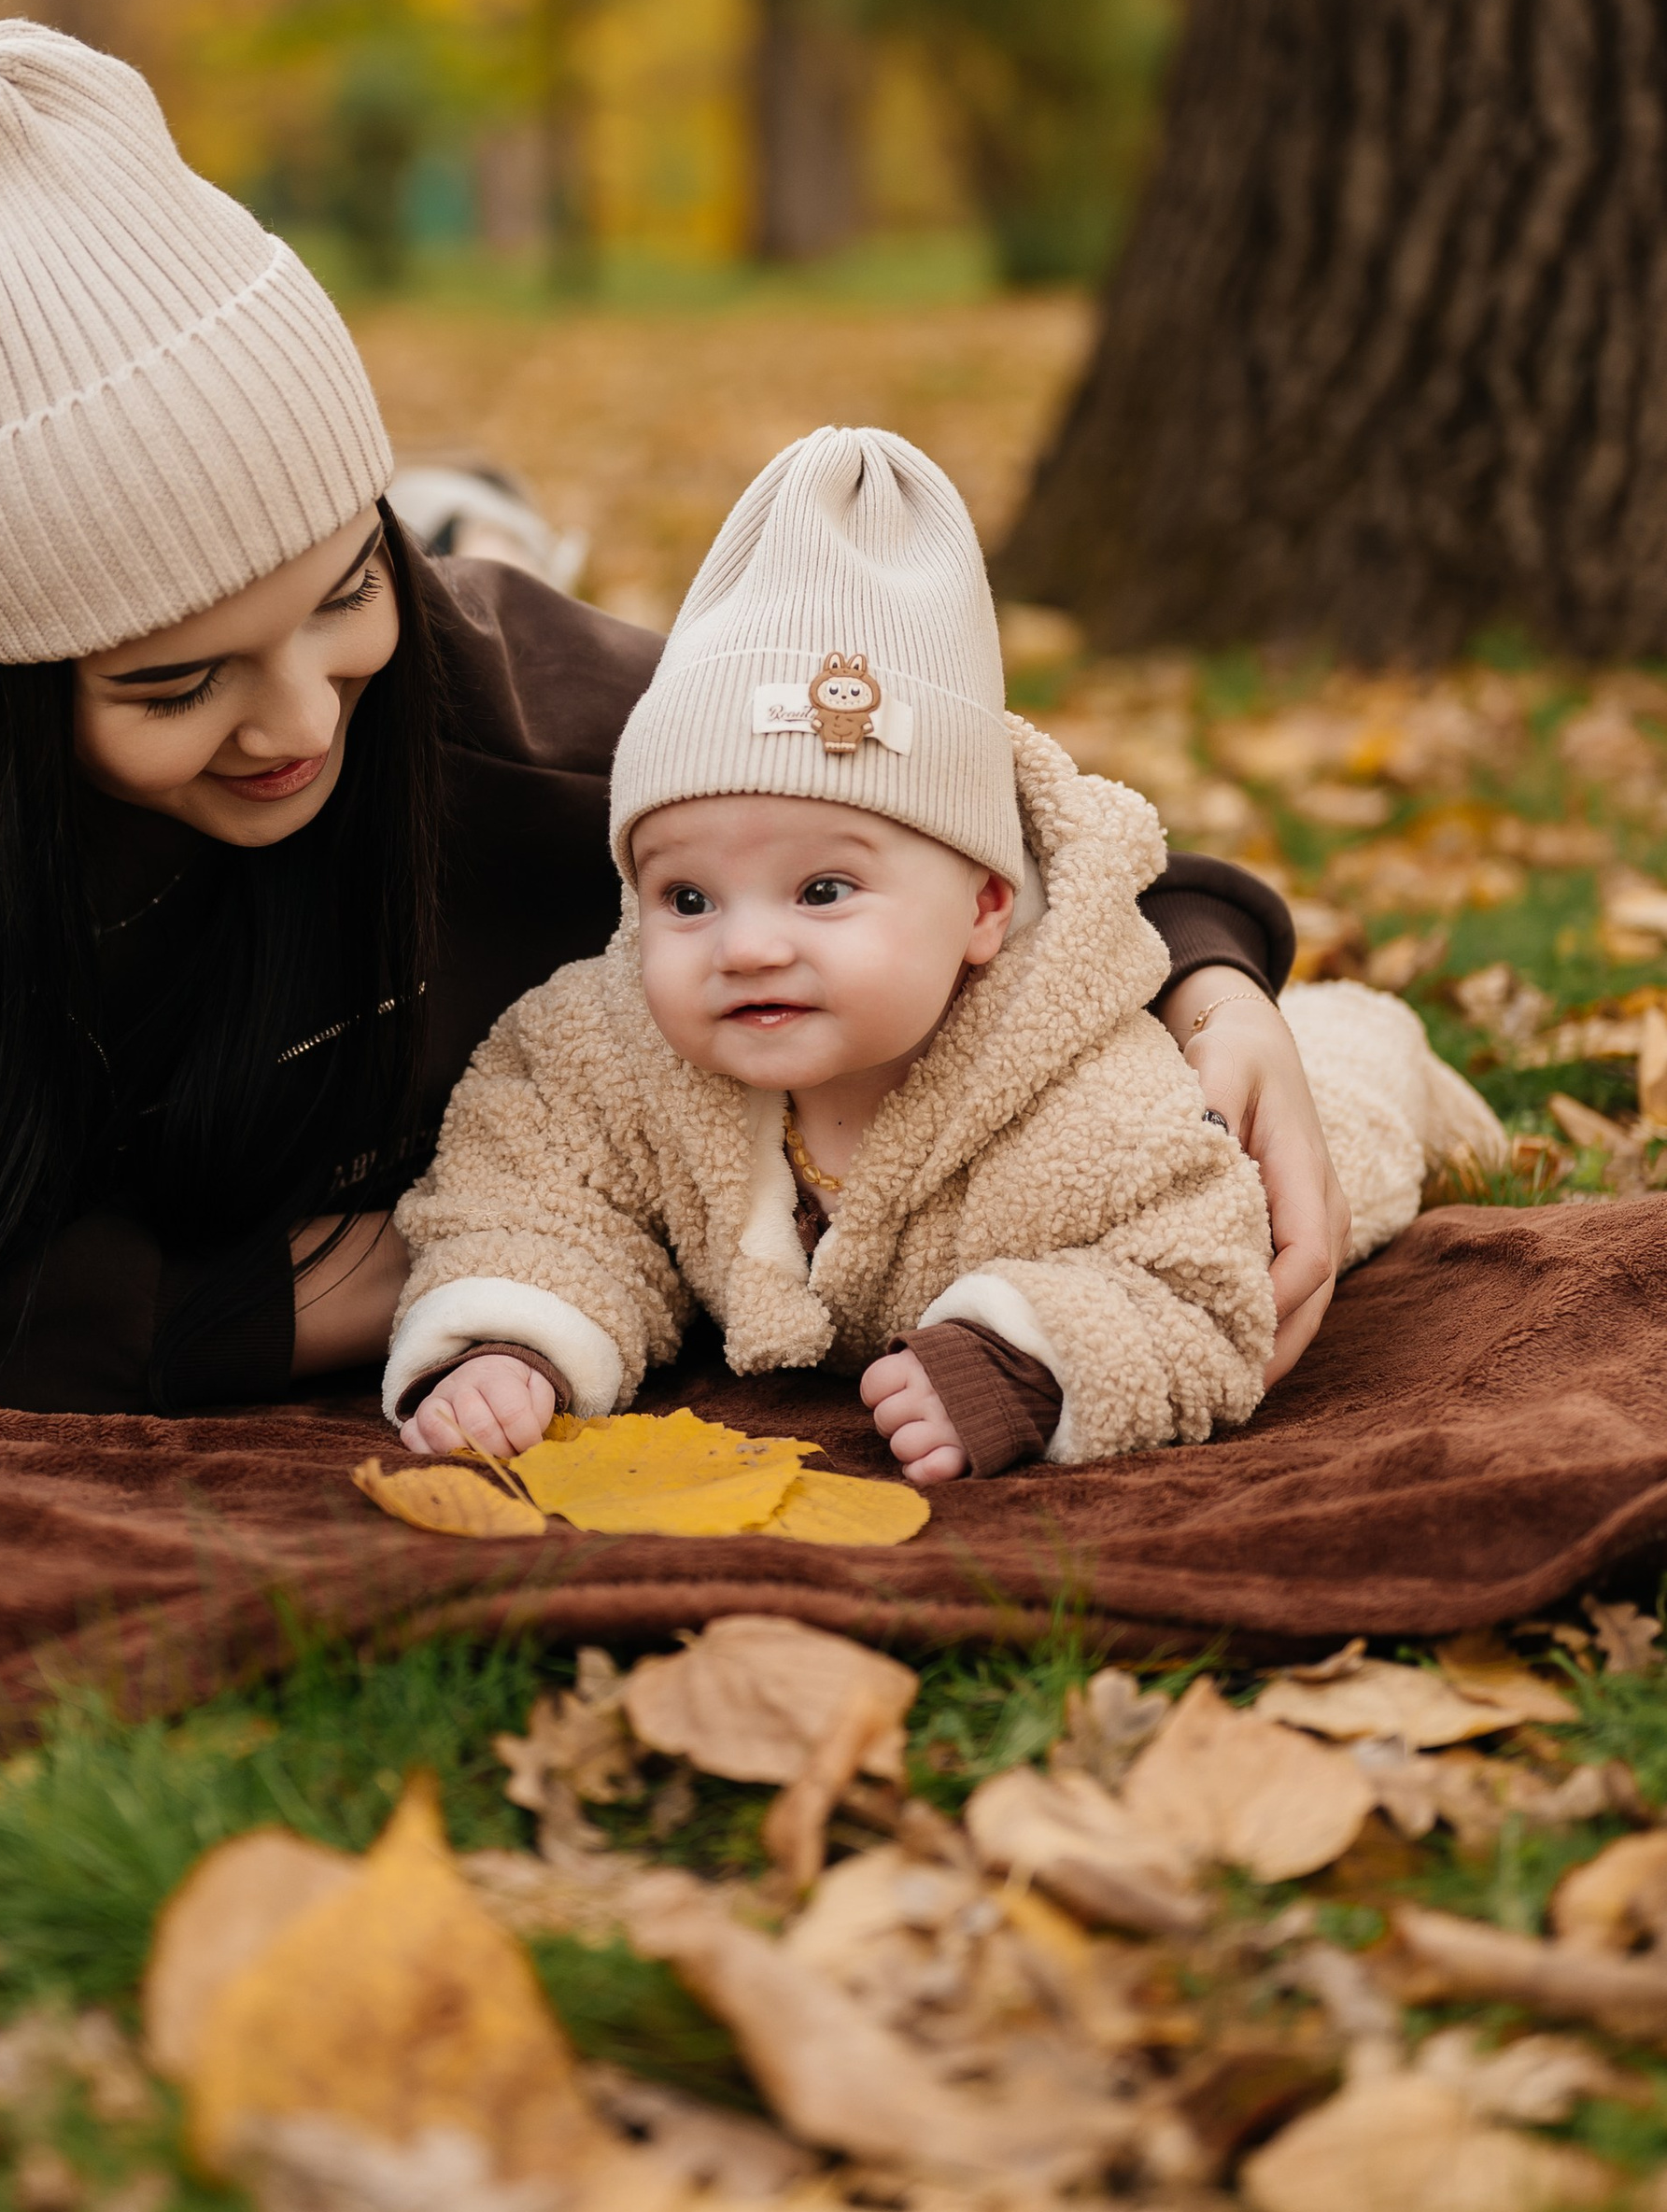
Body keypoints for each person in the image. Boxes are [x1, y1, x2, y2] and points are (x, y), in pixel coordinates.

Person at [0, 21, 1347, 1415]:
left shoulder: (467, 691)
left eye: (339, 591)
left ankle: (468, 520)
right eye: (172, 679)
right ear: (1, 691)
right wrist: (252, 1305)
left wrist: (1202, 968)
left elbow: (905, 795)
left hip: (473, 599)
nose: (295, 722)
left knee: (468, 619)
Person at [385, 429, 1499, 1476]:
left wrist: (1026, 1356)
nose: (748, 944)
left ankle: (1386, 1045)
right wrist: (511, 1337)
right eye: (686, 896)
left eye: (824, 889)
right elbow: (531, 1190)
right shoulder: (607, 1048)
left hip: (1279, 1112)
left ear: (982, 907)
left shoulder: (1088, 1094)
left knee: (1347, 1086)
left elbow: (1201, 1279)